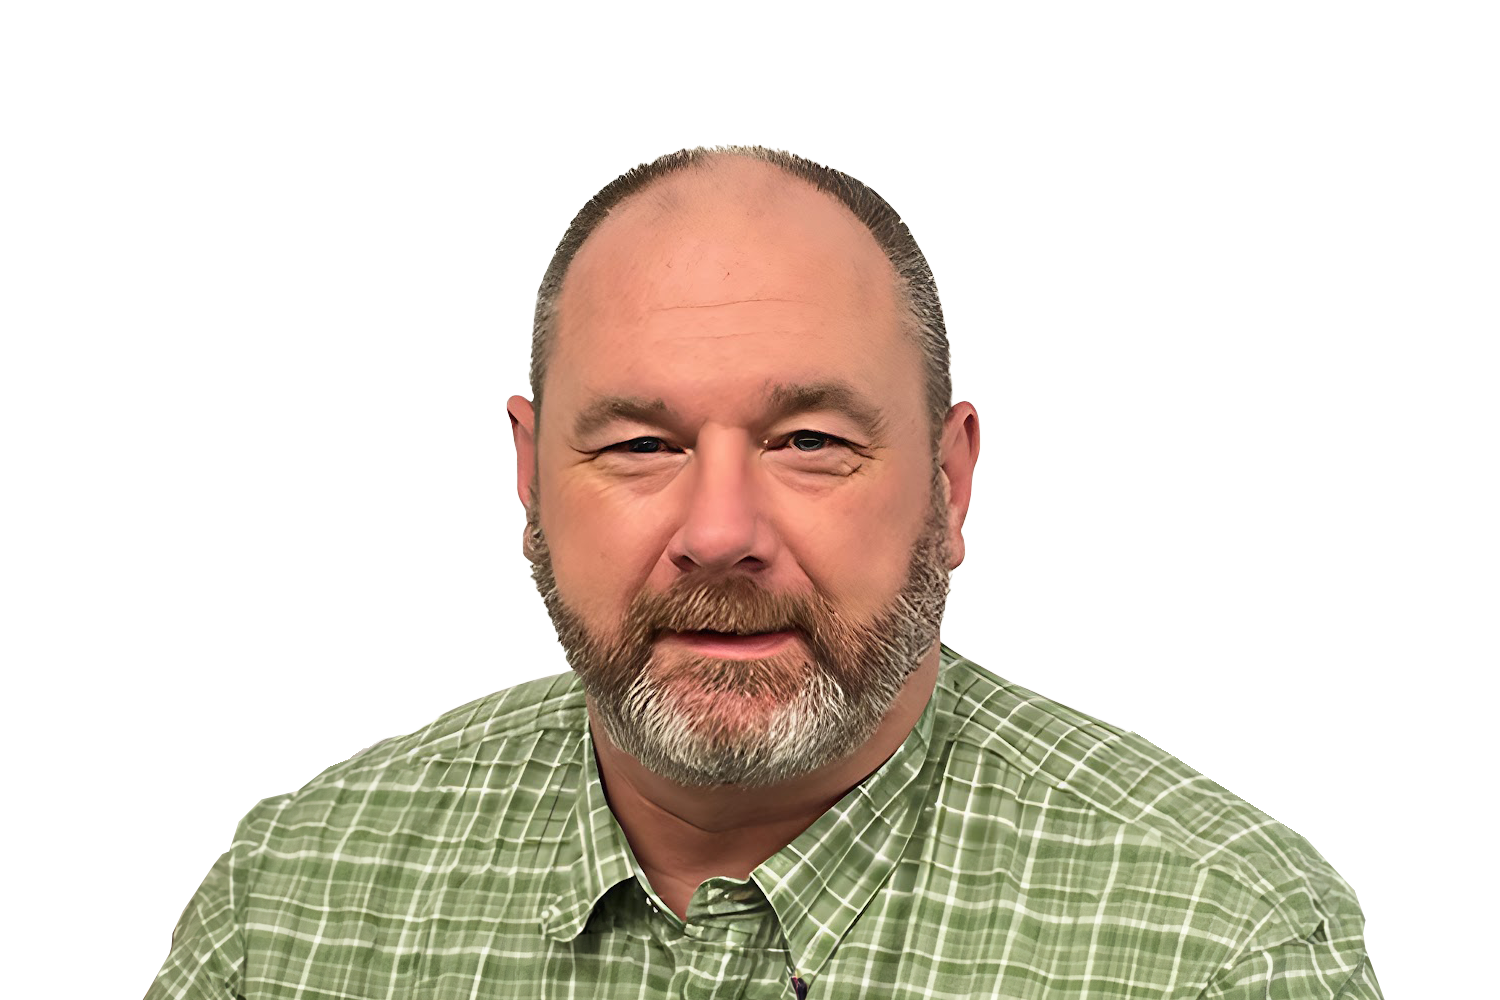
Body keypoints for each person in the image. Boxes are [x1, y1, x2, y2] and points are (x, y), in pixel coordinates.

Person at [147, 144, 1382, 998]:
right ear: (526, 472)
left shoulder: (1226, 942)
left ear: (952, 484)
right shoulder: (293, 897)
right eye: (641, 443)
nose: (721, 528)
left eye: (811, 443)